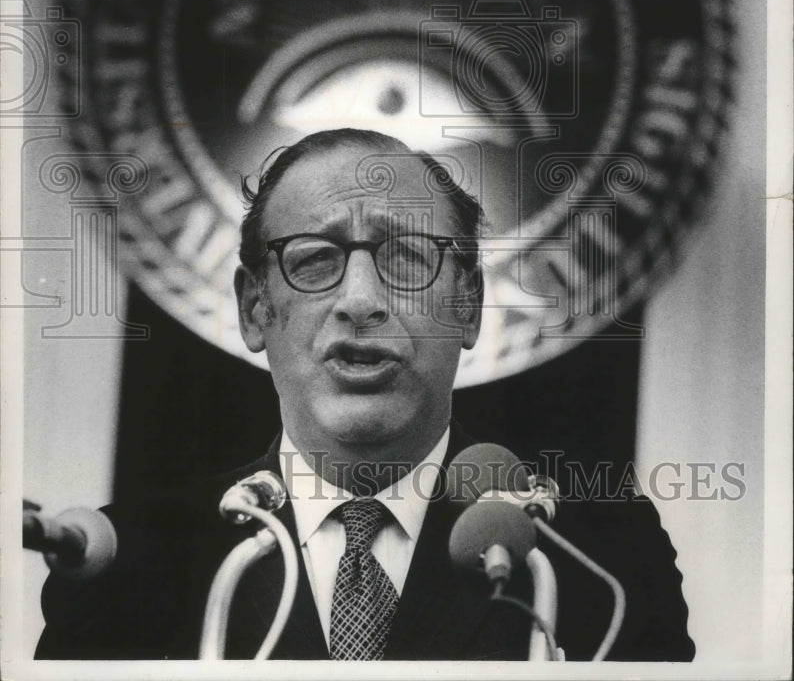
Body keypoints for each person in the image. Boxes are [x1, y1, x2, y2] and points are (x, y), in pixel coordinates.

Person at [36, 128, 695, 661]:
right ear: (256, 308)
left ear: (467, 305)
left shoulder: (601, 565)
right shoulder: (125, 563)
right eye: (315, 257)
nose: (359, 300)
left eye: (406, 255)